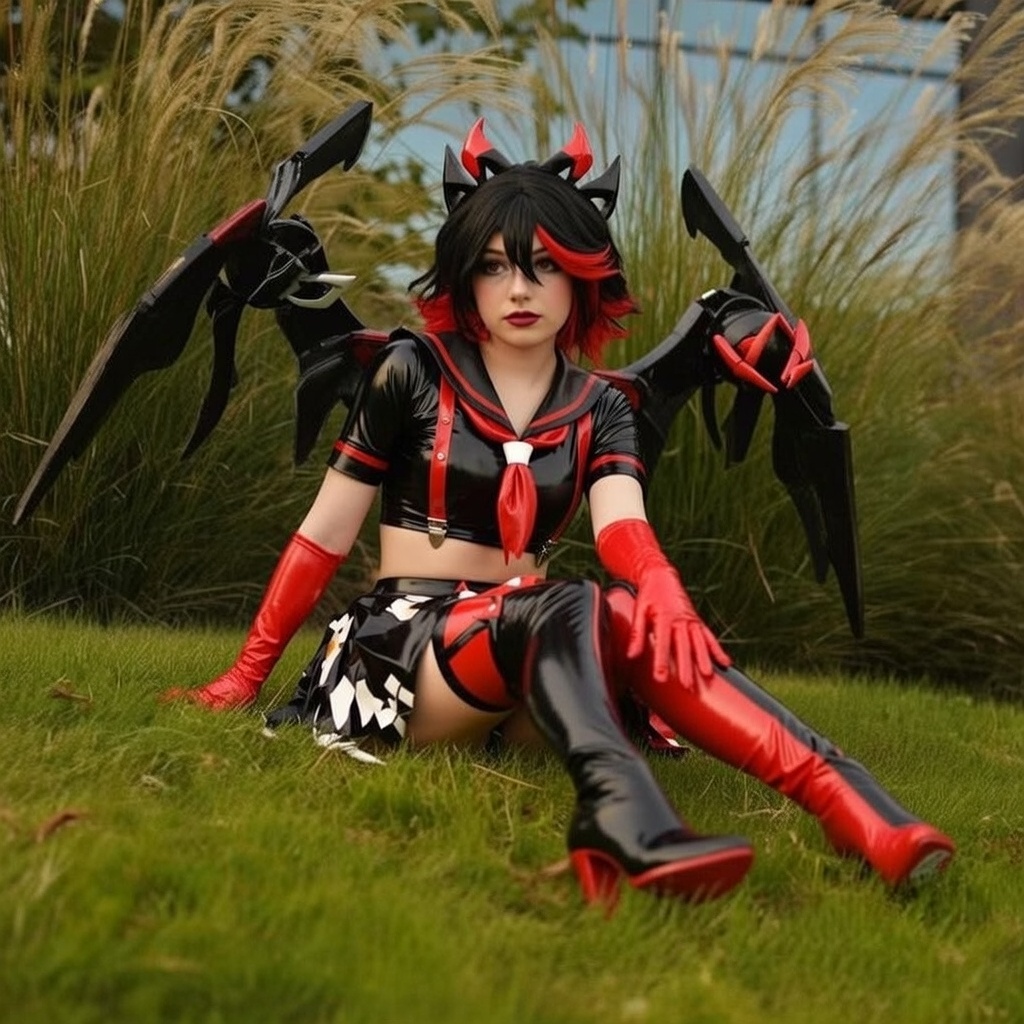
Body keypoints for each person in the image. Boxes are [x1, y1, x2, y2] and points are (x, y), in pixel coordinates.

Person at [165, 119, 955, 908]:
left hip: (539, 657)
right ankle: (619, 808)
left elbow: (621, 526)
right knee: (572, 601)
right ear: (465, 277)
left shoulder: (600, 406)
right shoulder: (410, 370)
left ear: (582, 276)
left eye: (545, 265)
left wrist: (662, 588)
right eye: (495, 266)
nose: (519, 289)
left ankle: (857, 811)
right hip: (406, 658)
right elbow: (324, 535)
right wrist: (244, 676)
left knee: (631, 613)